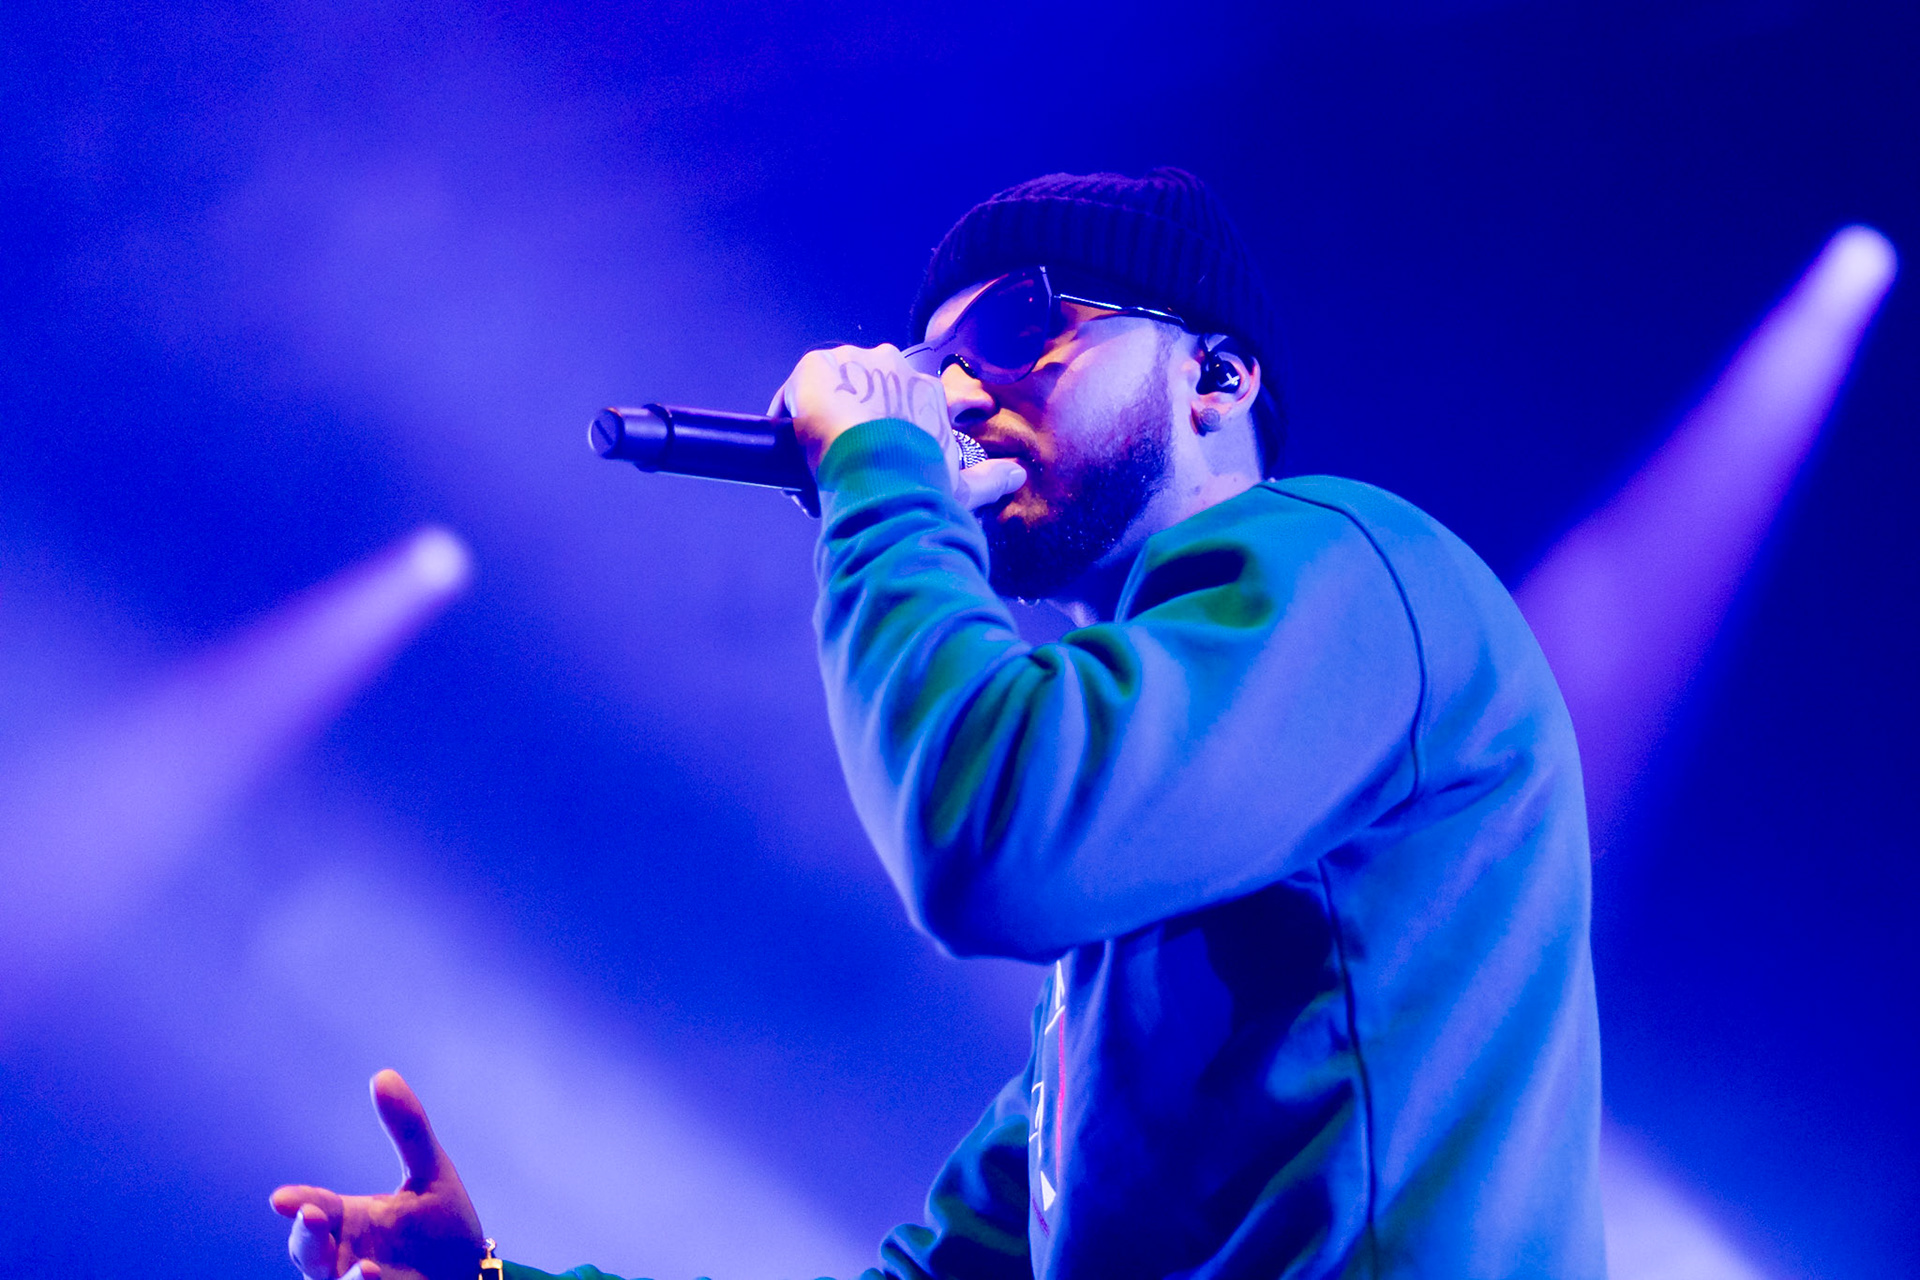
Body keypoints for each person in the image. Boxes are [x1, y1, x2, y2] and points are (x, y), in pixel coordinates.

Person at [271, 168, 1605, 1280]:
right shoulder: (1135, 911)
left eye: (1024, 330)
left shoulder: (1361, 566)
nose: (960, 394)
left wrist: (879, 467)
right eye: (931, 370)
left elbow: (984, 839)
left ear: (1216, 376)